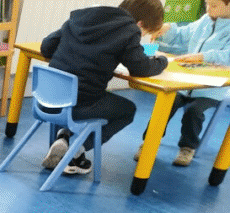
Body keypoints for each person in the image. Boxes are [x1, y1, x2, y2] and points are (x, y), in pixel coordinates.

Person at [40, 0, 168, 176]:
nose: (141, 36)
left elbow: (46, 48)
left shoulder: (80, 17)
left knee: (95, 95)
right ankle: (75, 147)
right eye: (144, 33)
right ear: (140, 24)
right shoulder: (129, 30)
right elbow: (140, 69)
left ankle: (65, 137)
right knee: (127, 110)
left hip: (45, 100)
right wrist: (162, 61)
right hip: (79, 105)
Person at [141, 0, 230, 166]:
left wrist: (203, 56)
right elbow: (183, 33)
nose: (208, 8)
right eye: (207, 4)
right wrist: (167, 28)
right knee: (166, 103)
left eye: (214, 5)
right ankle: (148, 142)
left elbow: (226, 55)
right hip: (185, 84)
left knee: (194, 111)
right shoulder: (205, 20)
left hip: (211, 88)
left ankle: (187, 148)